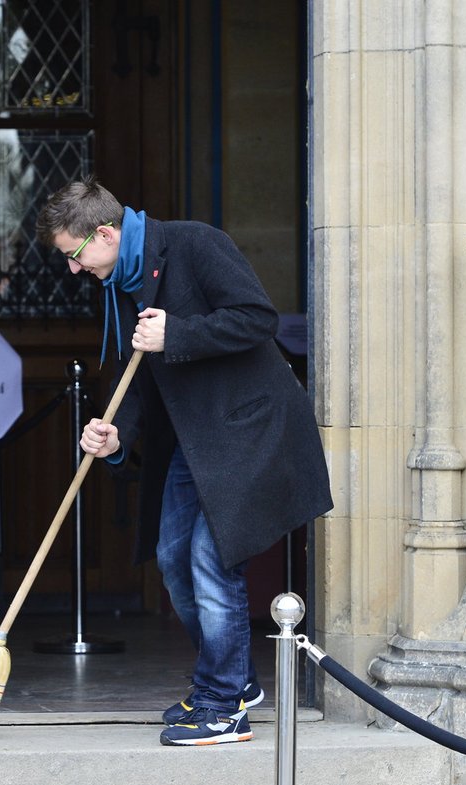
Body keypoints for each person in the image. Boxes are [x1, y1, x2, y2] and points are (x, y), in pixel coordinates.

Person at [35, 176, 333, 746]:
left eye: (75, 255)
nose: (73, 269)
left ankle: (223, 706)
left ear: (105, 232)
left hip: (246, 427)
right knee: (173, 561)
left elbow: (256, 319)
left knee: (211, 562)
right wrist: (116, 435)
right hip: (194, 442)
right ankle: (236, 682)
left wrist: (179, 332)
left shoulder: (195, 243)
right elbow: (141, 380)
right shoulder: (121, 282)